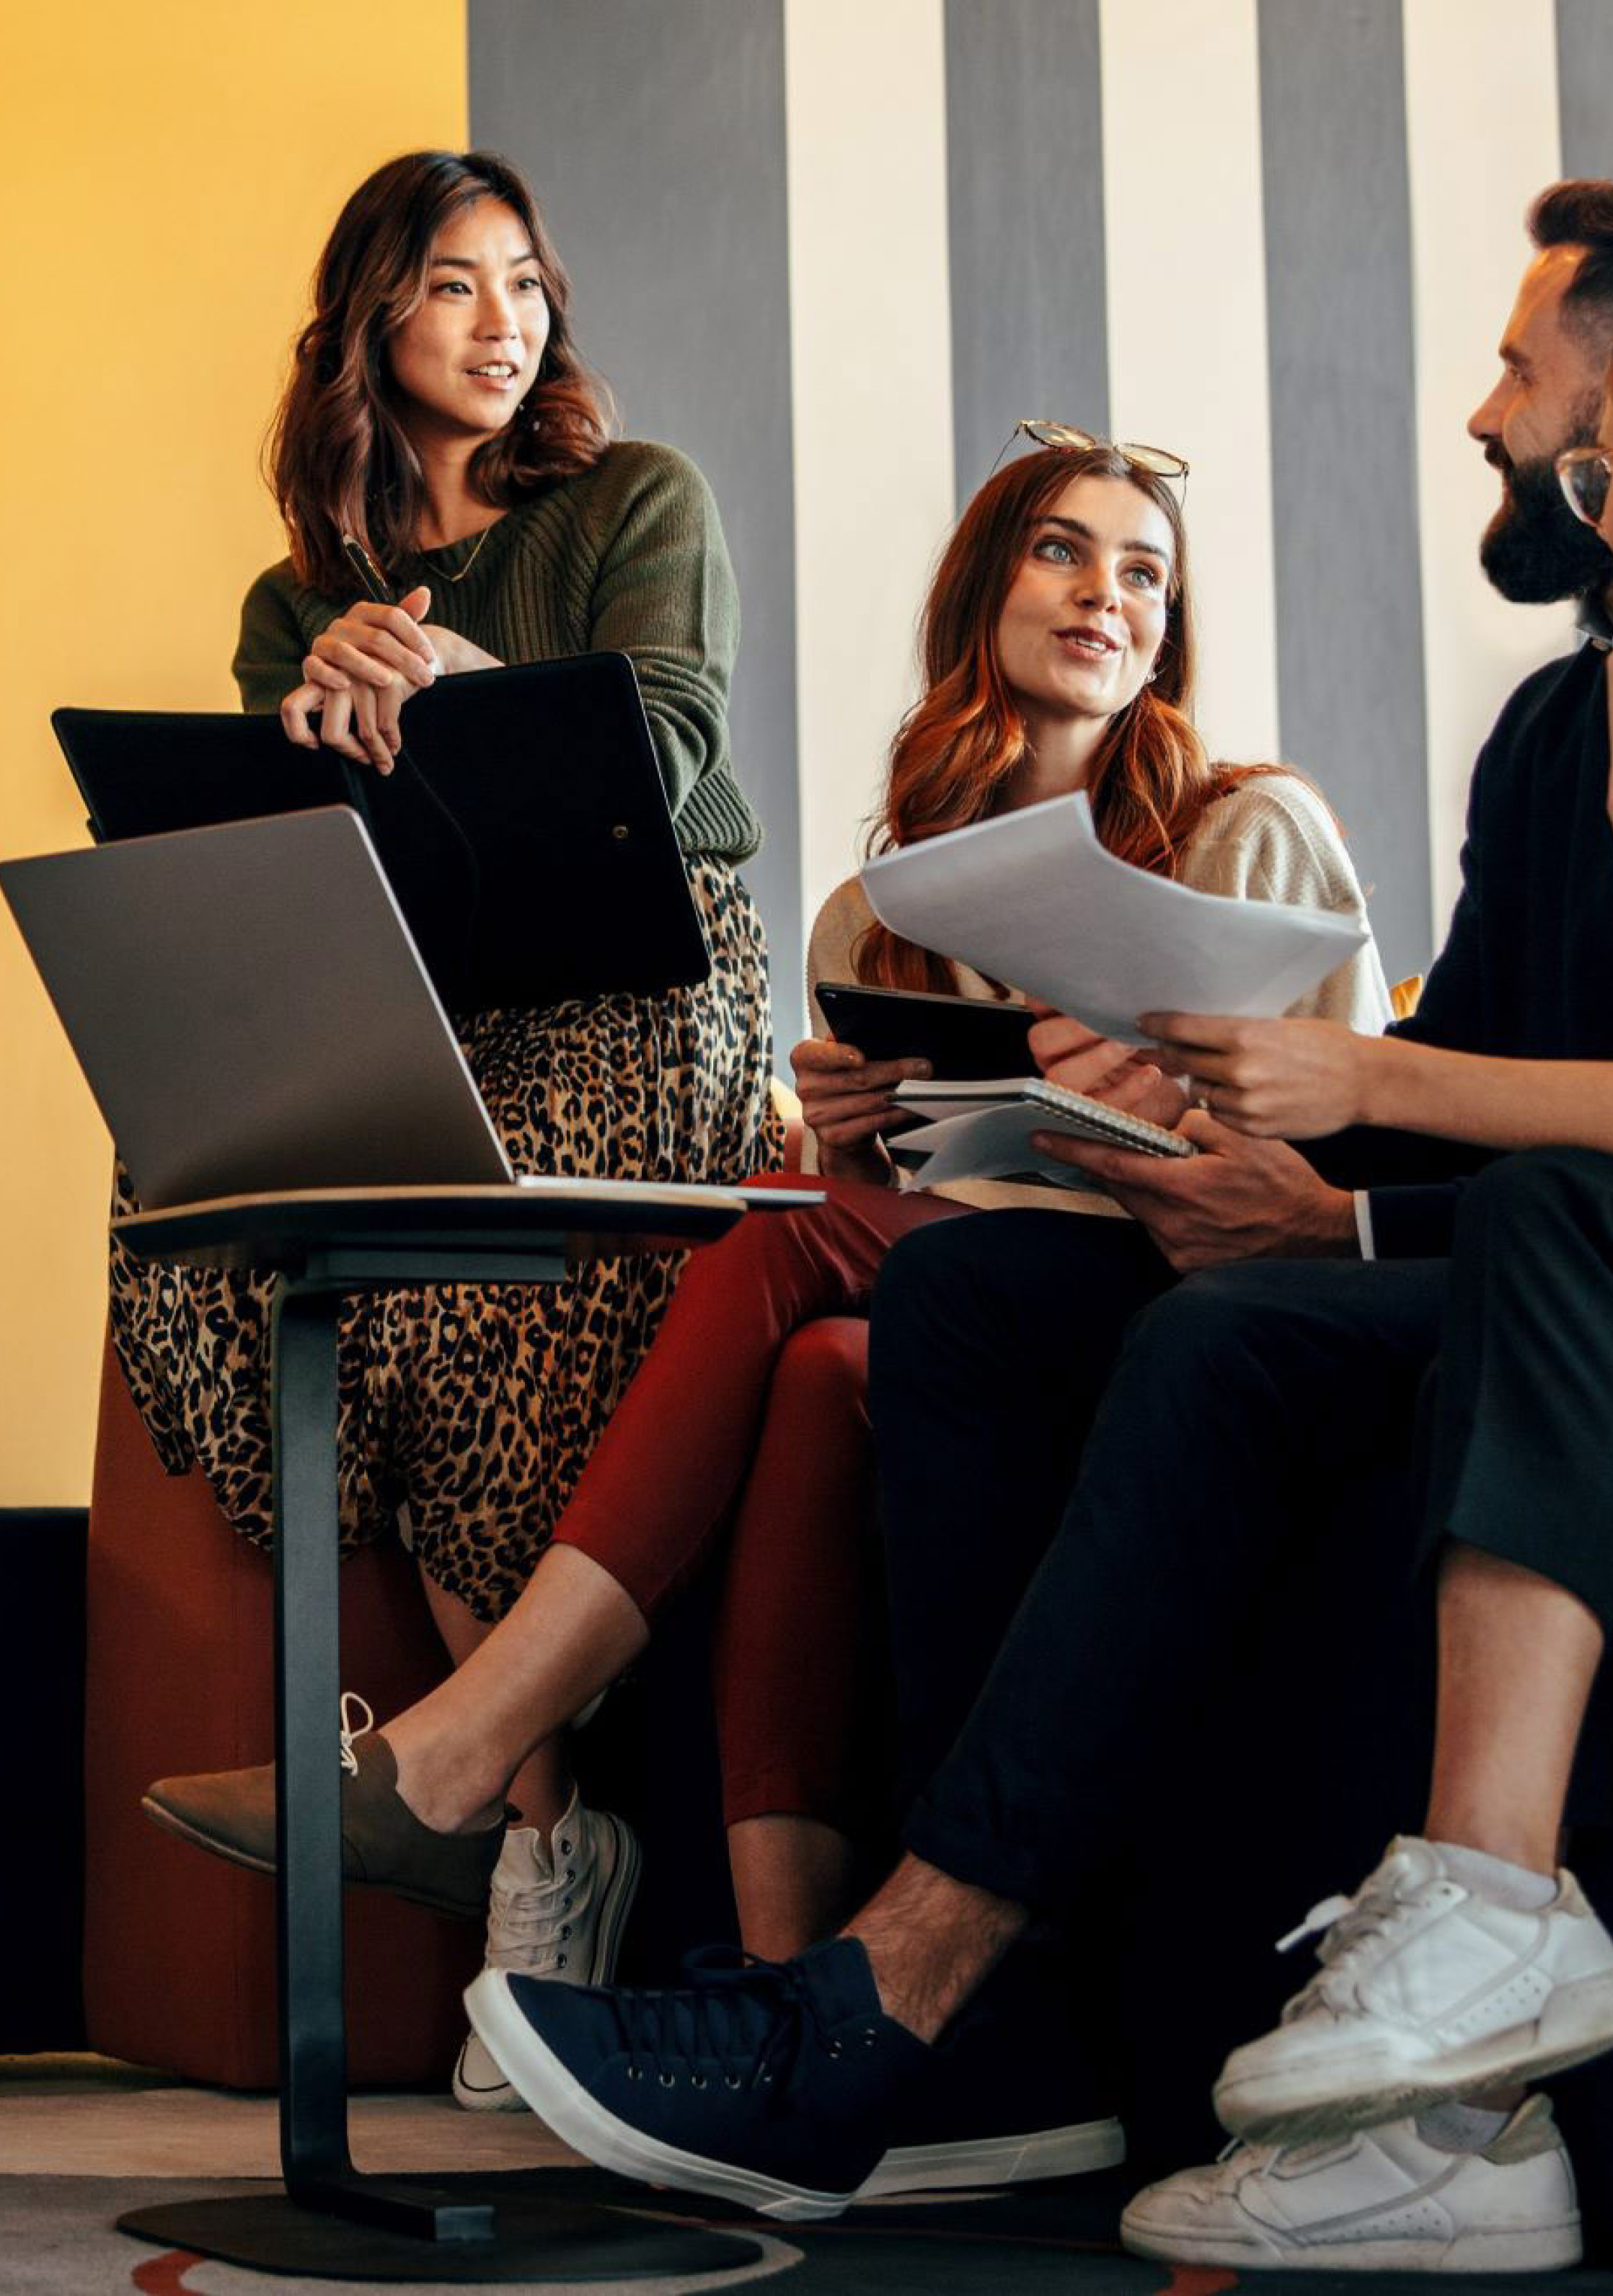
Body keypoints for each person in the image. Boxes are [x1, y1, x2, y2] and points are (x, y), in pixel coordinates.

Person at [458, 179, 1613, 2272]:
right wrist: (1313, 1205)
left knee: (996, 1299)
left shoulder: (1259, 813)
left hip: (1555, 1268)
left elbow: (1470, 1123)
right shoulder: (1550, 738)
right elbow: (1455, 1133)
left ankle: (889, 1987)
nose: (1482, 412)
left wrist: (1355, 1102)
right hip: (1454, 1251)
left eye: (1524, 372)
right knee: (968, 1291)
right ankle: (1011, 2029)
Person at [146, 425, 1389, 2137]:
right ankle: (800, 2009)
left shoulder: (1254, 825)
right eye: (1063, 553)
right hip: (991, 1300)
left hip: (1194, 1286)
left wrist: (1183, 1093)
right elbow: (897, 1225)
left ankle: (462, 1748)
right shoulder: (872, 914)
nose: (1107, 594)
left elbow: (1358, 1138)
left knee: (770, 1238)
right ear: (985, 592)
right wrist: (866, 1137)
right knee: (814, 1363)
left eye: (1145, 572)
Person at [117, 149, 779, 2098]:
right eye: (454, 291)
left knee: (465, 1303)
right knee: (212, 1193)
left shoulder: (634, 501)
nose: (508, 327)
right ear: (367, 327)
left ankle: (540, 1836)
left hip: (646, 977)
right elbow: (275, 868)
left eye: (526, 285)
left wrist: (471, 687)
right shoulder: (292, 593)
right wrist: (318, 711)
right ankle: (537, 1825)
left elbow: (665, 754)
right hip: (431, 987)